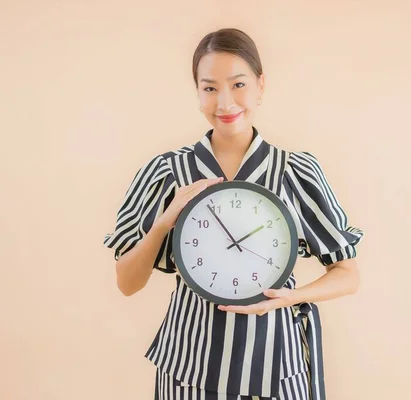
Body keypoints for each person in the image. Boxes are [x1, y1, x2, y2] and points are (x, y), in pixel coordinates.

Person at [103, 28, 364, 400]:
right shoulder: (166, 172)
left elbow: (347, 275)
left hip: (277, 366)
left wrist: (288, 298)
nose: (225, 102)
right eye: (210, 88)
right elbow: (127, 283)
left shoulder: (294, 170)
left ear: (260, 85)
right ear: (197, 93)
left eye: (238, 84)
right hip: (188, 368)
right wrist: (166, 219)